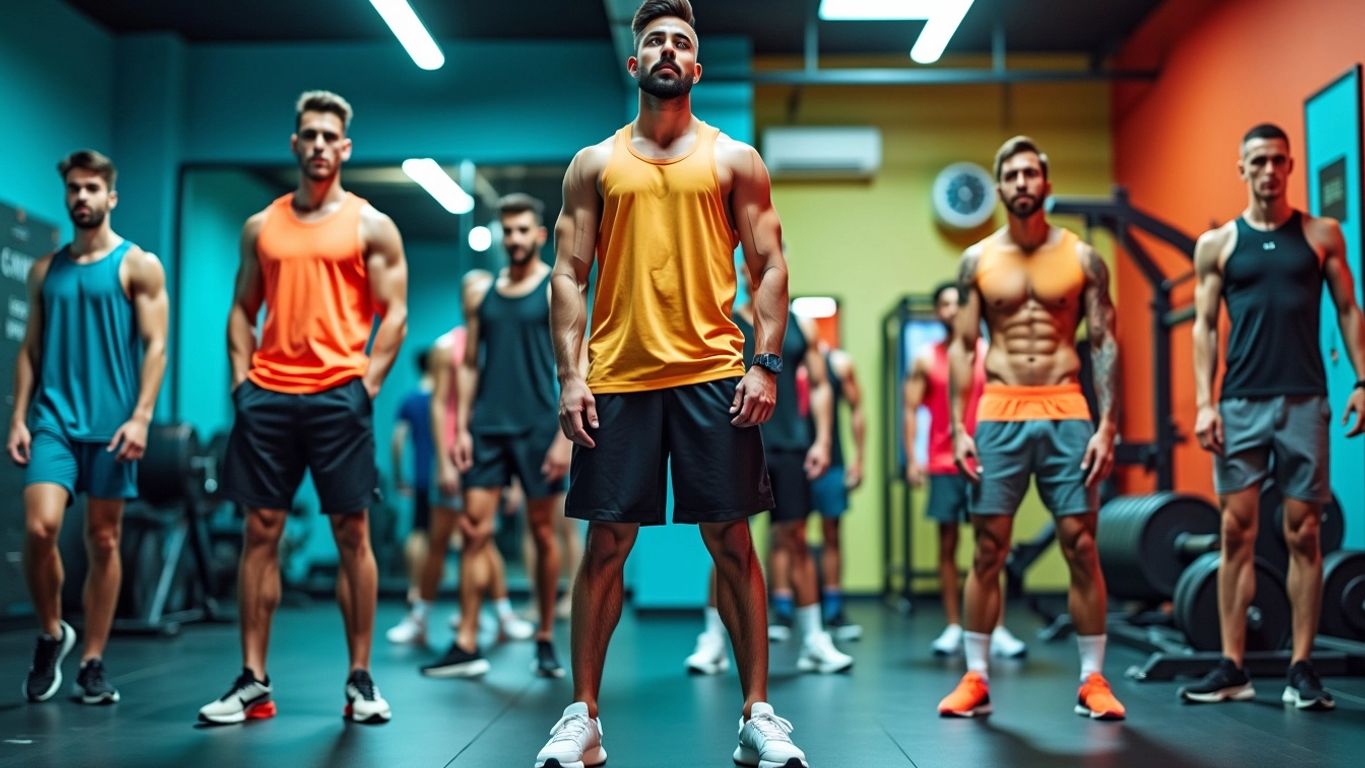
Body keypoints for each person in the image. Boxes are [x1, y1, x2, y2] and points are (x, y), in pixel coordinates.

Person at [536, 2, 811, 766]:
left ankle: (758, 713)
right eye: (653, 38)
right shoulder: (594, 163)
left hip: (713, 374)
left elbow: (770, 266)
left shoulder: (733, 160)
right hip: (618, 376)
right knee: (605, 546)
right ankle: (582, 718)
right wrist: (571, 376)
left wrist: (765, 361)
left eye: (680, 41)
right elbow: (566, 272)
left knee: (731, 541)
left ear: (696, 67)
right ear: (634, 65)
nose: (666, 48)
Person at [200, 90, 407, 726]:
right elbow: (241, 308)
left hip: (337, 395)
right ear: (295, 144)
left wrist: (365, 386)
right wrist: (241, 382)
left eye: (330, 137)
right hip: (267, 395)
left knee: (352, 534)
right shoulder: (262, 226)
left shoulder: (371, 224)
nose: (319, 146)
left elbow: (394, 310)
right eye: (309, 135)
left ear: (345, 148)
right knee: (259, 532)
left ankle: (361, 679)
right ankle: (253, 680)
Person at [937, 136, 1125, 721]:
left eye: (1030, 174)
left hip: (1067, 405)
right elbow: (965, 347)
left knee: (1082, 543)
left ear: (1045, 182)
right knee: (988, 546)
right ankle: (975, 676)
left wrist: (1109, 425)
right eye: (1011, 176)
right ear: (1000, 189)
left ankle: (1093, 679)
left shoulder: (1083, 257)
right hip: (999, 408)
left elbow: (1105, 342)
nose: (1021, 183)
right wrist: (958, 428)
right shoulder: (977, 260)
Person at [1183, 123, 1365, 710]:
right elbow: (1204, 327)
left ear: (1290, 167)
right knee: (1236, 532)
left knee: (1304, 532)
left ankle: (1302, 667)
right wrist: (1206, 401)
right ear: (1242, 168)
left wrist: (1363, 380)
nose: (1269, 170)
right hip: (1239, 402)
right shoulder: (1217, 245)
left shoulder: (1320, 234)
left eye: (1279, 161)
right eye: (1258, 161)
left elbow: (1348, 309)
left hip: (1304, 400)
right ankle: (1232, 665)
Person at [9, 149, 168, 705]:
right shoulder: (43, 270)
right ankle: (53, 632)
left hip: (112, 428)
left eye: (91, 188)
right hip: (52, 421)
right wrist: (18, 418)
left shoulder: (138, 265)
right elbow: (30, 349)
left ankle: (94, 661)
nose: (81, 197)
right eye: (74, 189)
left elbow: (156, 346)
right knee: (40, 530)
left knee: (103, 540)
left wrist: (142, 416)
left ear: (111, 196)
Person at [425, 193, 568, 679]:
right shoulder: (480, 294)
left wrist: (564, 436)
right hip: (487, 425)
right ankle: (466, 641)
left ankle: (545, 635)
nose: (515, 239)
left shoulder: (555, 288)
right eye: (508, 231)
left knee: (544, 534)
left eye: (523, 230)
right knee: (473, 530)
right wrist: (461, 426)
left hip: (537, 425)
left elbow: (579, 361)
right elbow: (468, 365)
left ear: (539, 235)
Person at [685, 288, 853, 677]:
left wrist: (824, 440)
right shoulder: (724, 317)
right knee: (728, 540)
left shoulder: (799, 324)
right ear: (743, 268)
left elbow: (820, 384)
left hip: (791, 445)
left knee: (796, 537)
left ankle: (814, 640)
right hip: (738, 438)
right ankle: (712, 641)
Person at [387, 328, 534, 648]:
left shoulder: (498, 351)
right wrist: (443, 463)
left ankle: (499, 615)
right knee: (437, 540)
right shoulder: (447, 351)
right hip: (450, 466)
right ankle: (420, 617)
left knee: (482, 540)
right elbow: (434, 413)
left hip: (485, 463)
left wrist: (514, 479)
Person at [904, 282, 1027, 659]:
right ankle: (954, 626)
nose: (951, 310)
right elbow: (909, 409)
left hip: (986, 460)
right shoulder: (926, 358)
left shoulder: (989, 355)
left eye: (958, 303)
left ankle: (998, 627)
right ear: (938, 311)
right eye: (944, 304)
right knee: (948, 545)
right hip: (943, 462)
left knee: (992, 545)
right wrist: (912, 458)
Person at [811, 340, 866, 641]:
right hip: (788, 458)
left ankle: (833, 612)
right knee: (784, 535)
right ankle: (782, 614)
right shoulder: (775, 359)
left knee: (832, 532)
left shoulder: (839, 363)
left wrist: (858, 459)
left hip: (832, 462)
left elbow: (857, 409)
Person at [390, 350, 436, 608]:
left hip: (420, 477)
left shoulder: (410, 400)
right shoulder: (445, 401)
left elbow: (397, 441)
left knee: (419, 531)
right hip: (446, 478)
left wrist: (399, 476)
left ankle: (415, 588)